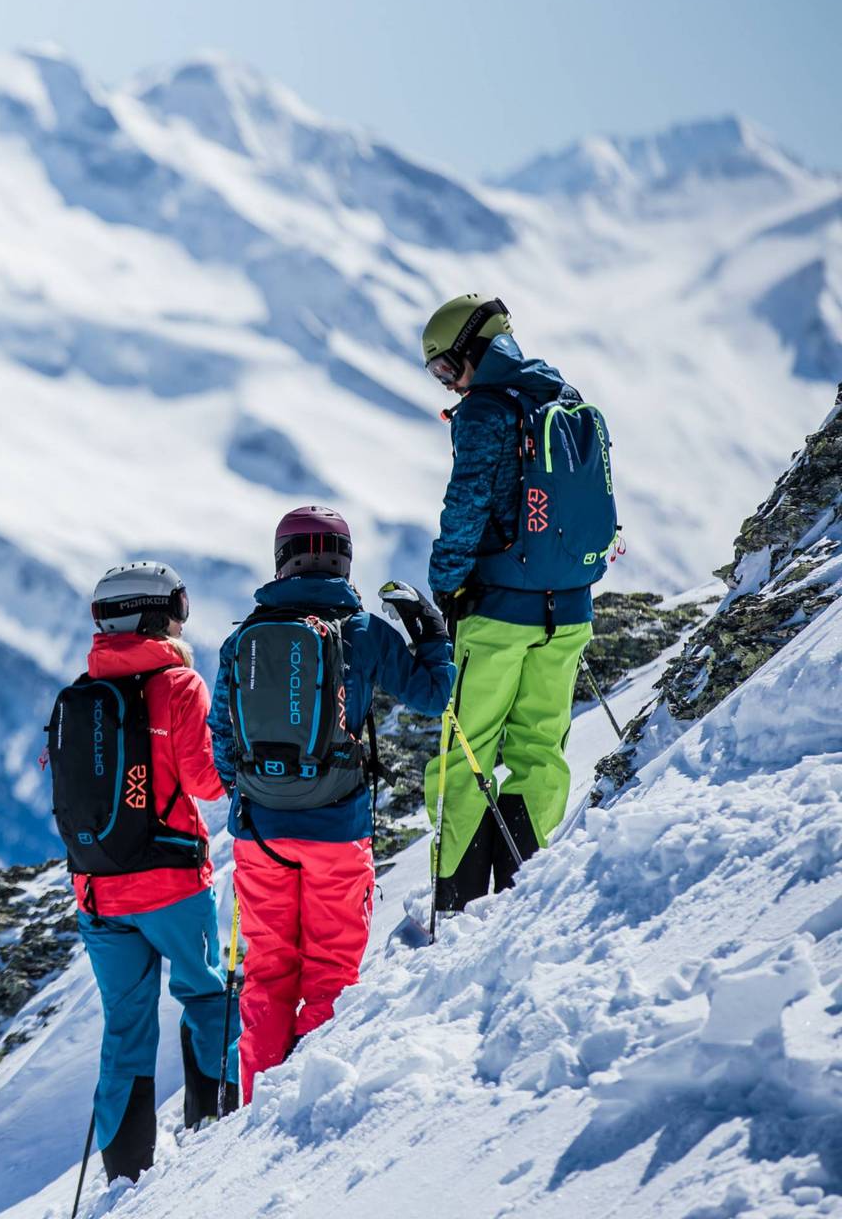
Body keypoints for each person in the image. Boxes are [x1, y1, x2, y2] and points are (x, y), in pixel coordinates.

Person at [207, 508, 454, 1097]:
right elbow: (433, 696)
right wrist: (432, 634)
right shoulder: (364, 631)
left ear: (281, 559)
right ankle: (309, 1103)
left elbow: (220, 736)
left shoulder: (242, 640)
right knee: (331, 979)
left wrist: (251, 794)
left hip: (261, 834)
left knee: (266, 978)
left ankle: (253, 1113)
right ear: (344, 560)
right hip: (338, 832)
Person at [419, 294, 615, 913]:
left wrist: (446, 582)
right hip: (569, 612)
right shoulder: (564, 399)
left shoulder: (486, 411)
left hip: (500, 611)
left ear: (476, 349)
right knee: (539, 745)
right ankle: (524, 891)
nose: (450, 383)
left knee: (466, 749)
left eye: (447, 369)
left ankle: (456, 897)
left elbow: (467, 506)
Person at [56, 561, 237, 1184]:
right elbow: (205, 781)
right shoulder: (178, 686)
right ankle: (217, 1137)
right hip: (169, 885)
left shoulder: (80, 693)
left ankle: (123, 1173)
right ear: (159, 613)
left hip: (96, 893)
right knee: (207, 996)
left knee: (125, 1027)